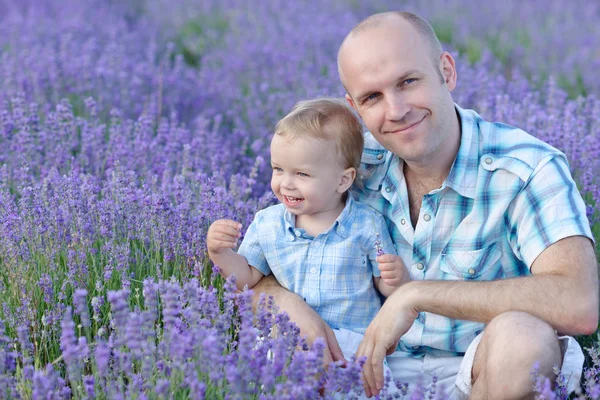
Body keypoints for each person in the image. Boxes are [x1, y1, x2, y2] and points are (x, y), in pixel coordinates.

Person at [252, 11, 599, 399]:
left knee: (524, 338)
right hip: (364, 367)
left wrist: (415, 295)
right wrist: (282, 300)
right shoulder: (345, 168)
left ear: (446, 72)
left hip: (480, 370)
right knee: (286, 334)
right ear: (356, 108)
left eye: (408, 82)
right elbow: (259, 261)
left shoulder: (525, 168)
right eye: (373, 97)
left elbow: (578, 301)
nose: (397, 109)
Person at [206, 98, 410, 395]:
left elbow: (386, 288)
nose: (286, 184)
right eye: (279, 169)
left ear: (343, 180)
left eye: (302, 174)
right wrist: (220, 253)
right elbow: (248, 277)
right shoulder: (267, 224)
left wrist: (396, 279)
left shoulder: (367, 225)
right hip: (286, 340)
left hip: (352, 349)